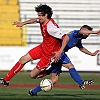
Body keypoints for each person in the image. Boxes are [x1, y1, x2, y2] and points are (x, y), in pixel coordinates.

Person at [0, 4, 69, 86]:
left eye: (40, 15)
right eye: (38, 15)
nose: (38, 17)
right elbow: (35, 20)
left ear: (46, 15)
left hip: (49, 55)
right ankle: (6, 80)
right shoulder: (43, 20)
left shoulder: (51, 28)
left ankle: (52, 70)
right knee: (23, 59)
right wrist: (23, 23)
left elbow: (66, 38)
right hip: (42, 47)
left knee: (32, 75)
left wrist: (60, 51)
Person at [28, 25, 100, 96]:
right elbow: (81, 31)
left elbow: (81, 48)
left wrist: (92, 54)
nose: (88, 35)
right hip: (58, 51)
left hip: (58, 53)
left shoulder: (78, 39)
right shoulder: (76, 33)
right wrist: (94, 32)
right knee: (70, 66)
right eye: (88, 33)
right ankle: (81, 82)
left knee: (54, 80)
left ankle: (33, 91)